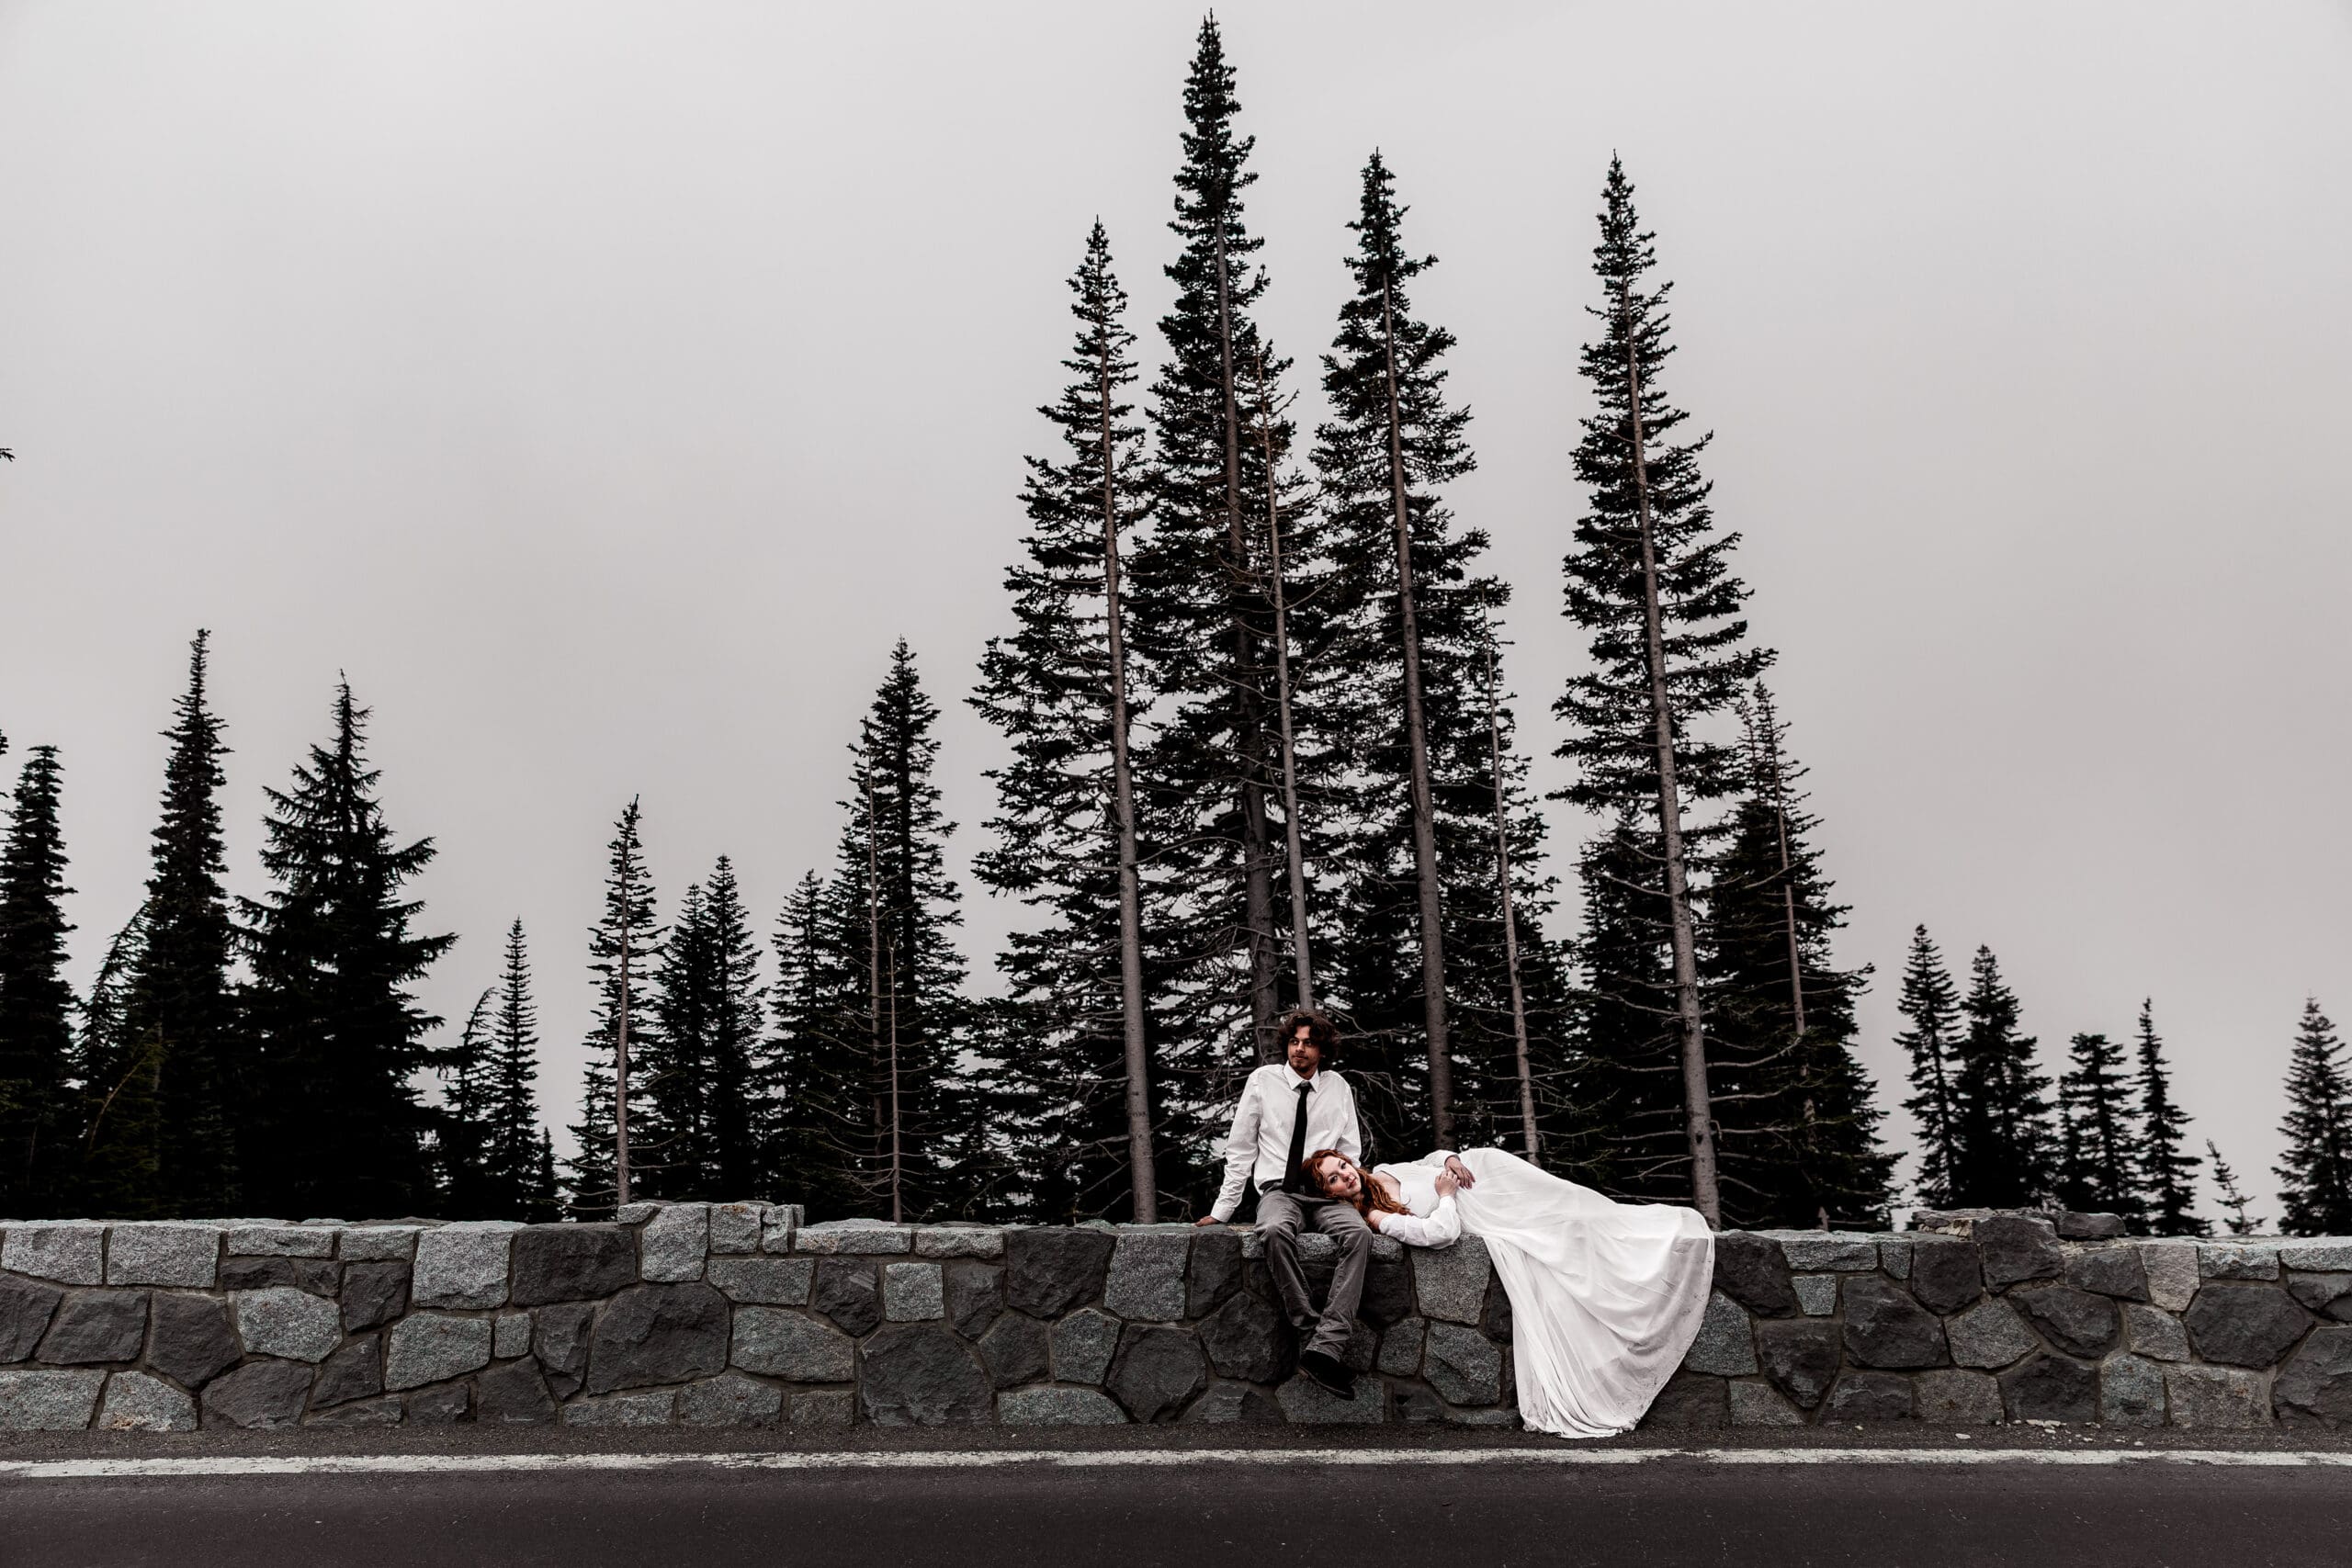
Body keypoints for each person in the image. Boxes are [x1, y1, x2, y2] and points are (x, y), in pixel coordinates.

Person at [1306, 1144, 1714, 1438]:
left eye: (1341, 1164)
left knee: (1574, 1200)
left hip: (1485, 1170)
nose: (1344, 1174)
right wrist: (1446, 1196)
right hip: (1481, 1208)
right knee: (1567, 1226)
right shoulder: (1378, 1217)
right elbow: (1439, 1233)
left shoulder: (1385, 1168)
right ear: (1330, 1193)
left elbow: (1429, 1159)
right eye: (1334, 1179)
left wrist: (1449, 1160)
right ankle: (1636, 1265)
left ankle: (1636, 1236)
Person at [1196, 1010, 1365, 1398]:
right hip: (1279, 1191)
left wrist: (1350, 1191)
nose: (1299, 1049)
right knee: (1271, 1230)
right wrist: (1223, 1209)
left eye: (1308, 1043)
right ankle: (1311, 1331)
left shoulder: (1338, 1087)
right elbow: (1240, 1149)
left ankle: (1327, 1345)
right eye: (1294, 1041)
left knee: (1358, 1235)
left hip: (1326, 1193)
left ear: (1322, 1050)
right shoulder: (1262, 1082)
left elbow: (1349, 1149)